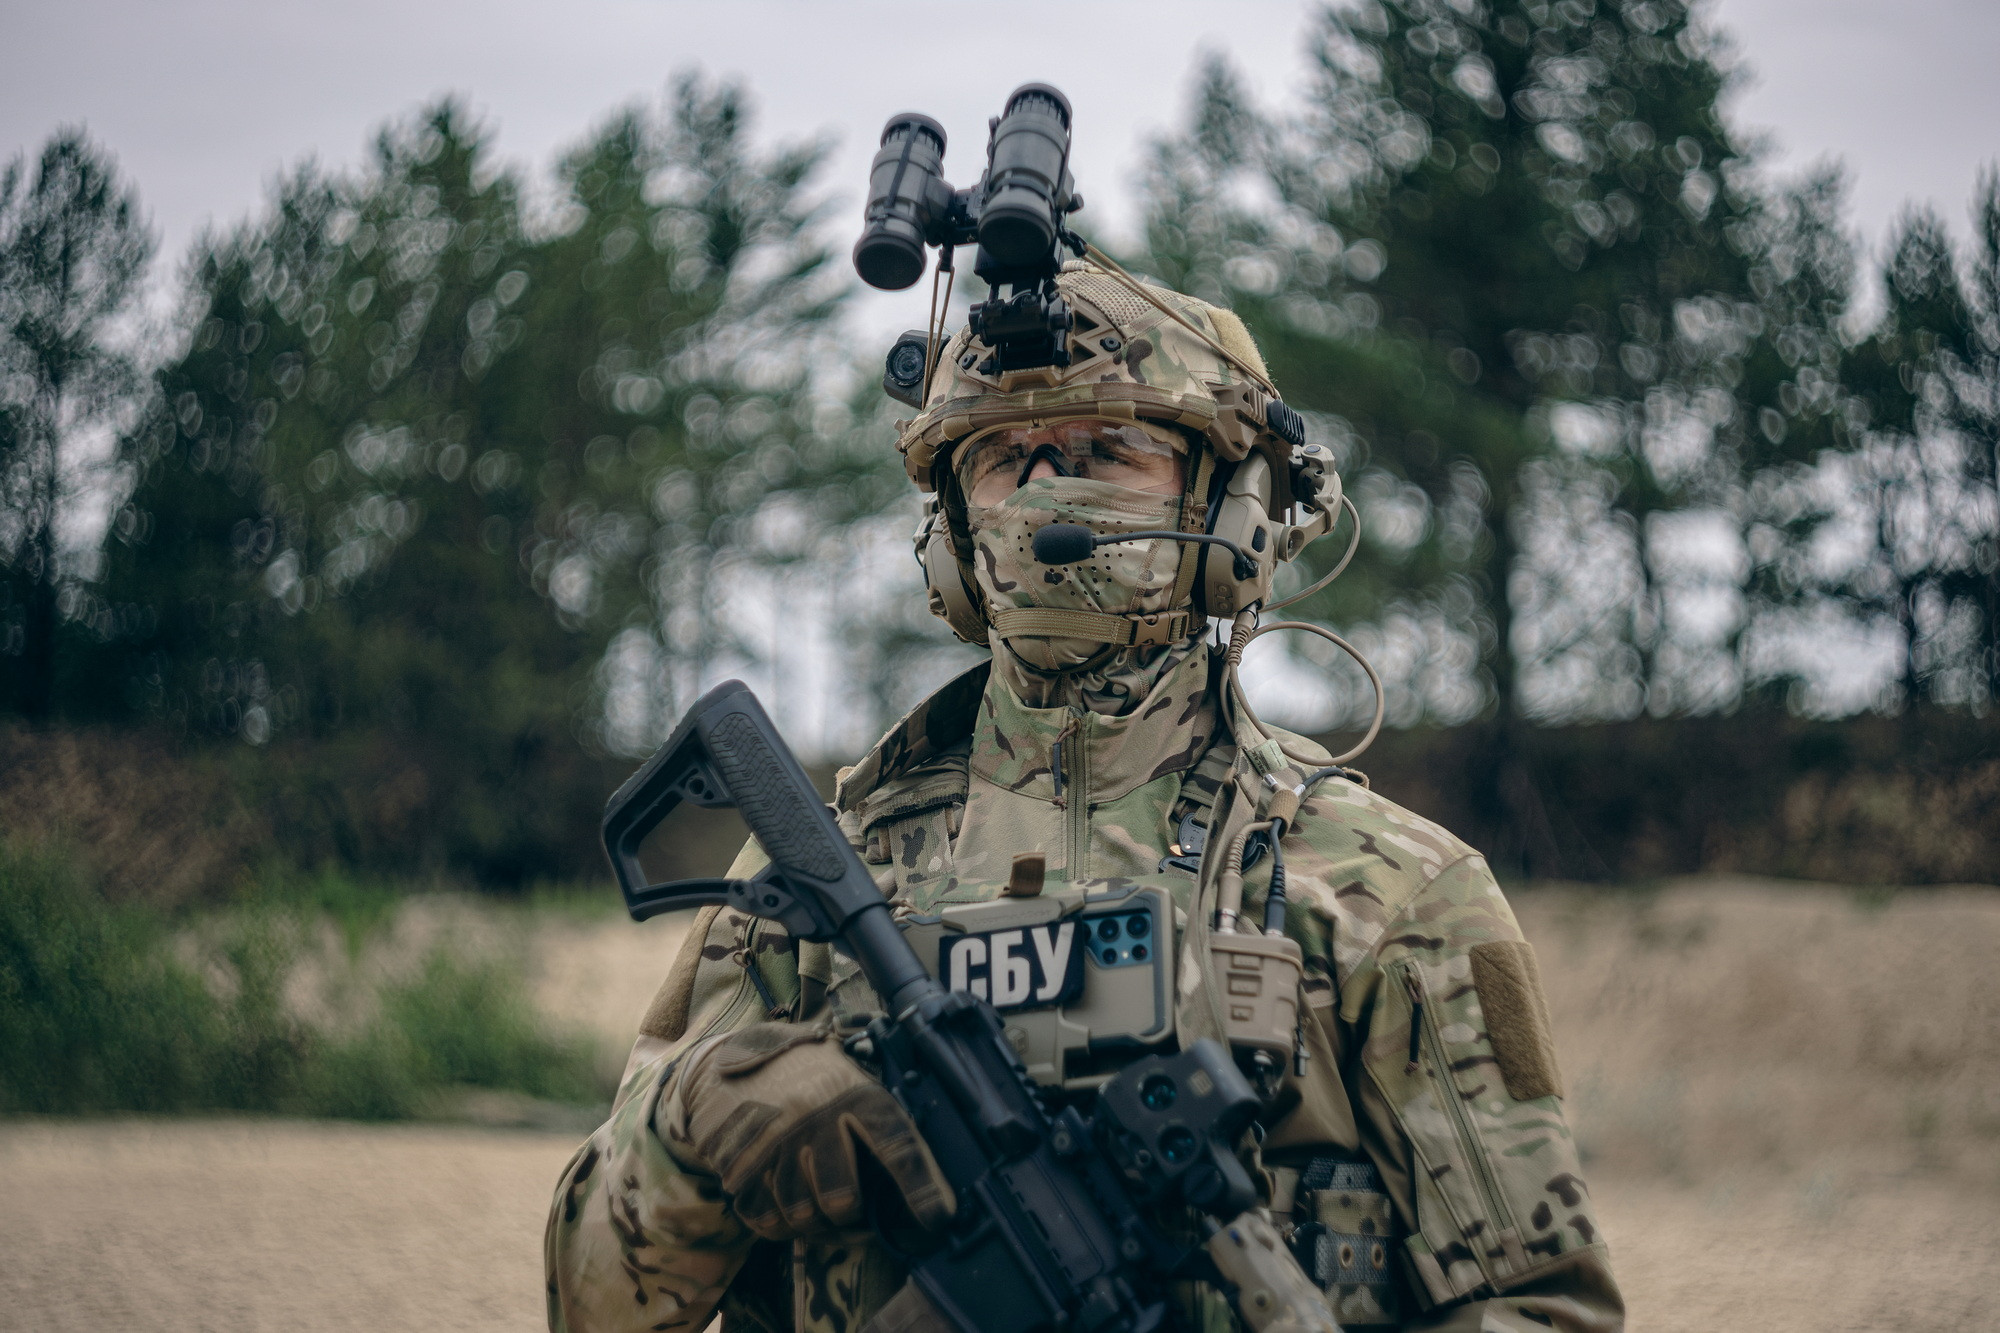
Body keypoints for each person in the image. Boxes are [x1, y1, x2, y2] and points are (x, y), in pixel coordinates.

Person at [544, 260, 1623, 1333]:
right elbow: (588, 1309)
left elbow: (1544, 1309)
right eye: (1001, 458)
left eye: (1108, 449)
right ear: (951, 533)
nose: (1045, 495)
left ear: (1232, 507)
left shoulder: (1389, 892)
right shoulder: (811, 878)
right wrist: (686, 1129)